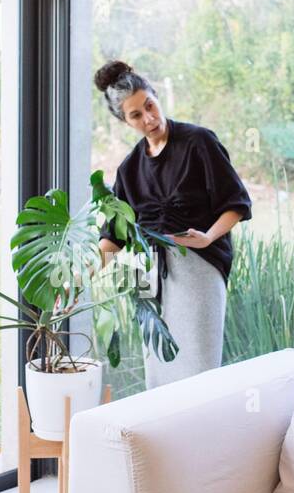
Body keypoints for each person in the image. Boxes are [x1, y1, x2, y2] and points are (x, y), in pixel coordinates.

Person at [93, 59, 253, 389]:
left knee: (198, 372)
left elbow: (236, 203)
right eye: (136, 115)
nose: (149, 118)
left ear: (155, 95)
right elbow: (114, 234)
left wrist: (208, 237)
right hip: (147, 274)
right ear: (125, 121)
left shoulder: (199, 142)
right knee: (159, 375)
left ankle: (202, 440)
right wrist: (80, 277)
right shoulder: (129, 168)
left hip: (198, 267)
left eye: (150, 105)